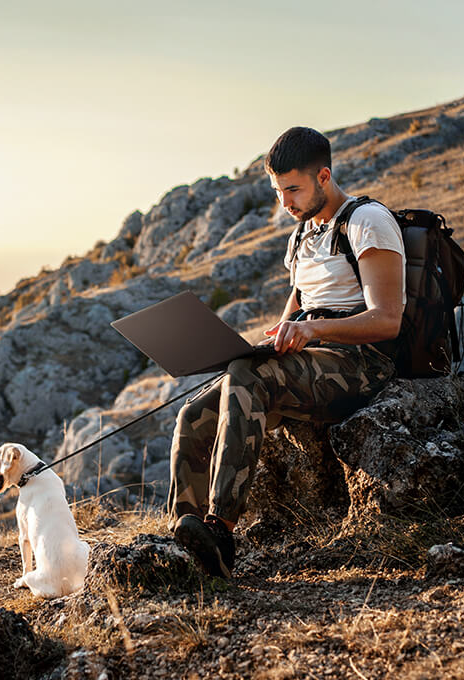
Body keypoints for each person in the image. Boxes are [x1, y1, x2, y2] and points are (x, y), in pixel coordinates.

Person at [168, 126, 406, 577]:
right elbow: (291, 315)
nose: (285, 203)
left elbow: (387, 319)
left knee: (247, 377)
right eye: (278, 192)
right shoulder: (300, 237)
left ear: (324, 176)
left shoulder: (366, 222)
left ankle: (219, 533)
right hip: (313, 361)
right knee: (194, 414)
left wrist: (313, 330)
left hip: (365, 363)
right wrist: (268, 341)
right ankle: (183, 533)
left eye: (292, 189)